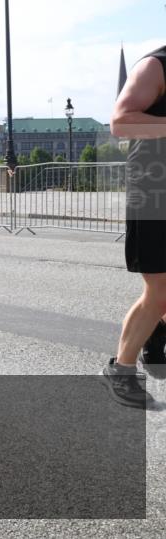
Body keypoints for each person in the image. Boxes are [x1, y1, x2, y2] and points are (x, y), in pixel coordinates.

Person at [102, 45, 166, 408]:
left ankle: (155, 330)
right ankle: (121, 372)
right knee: (160, 289)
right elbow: (121, 122)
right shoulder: (156, 66)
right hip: (155, 193)